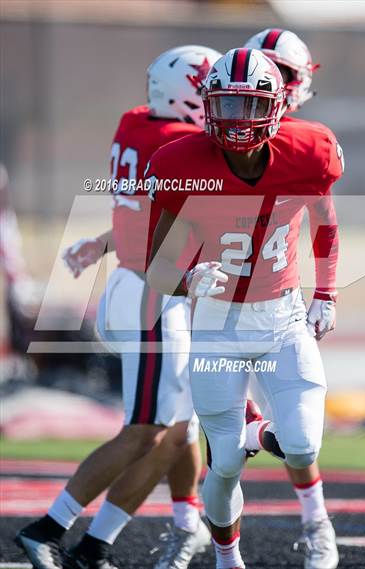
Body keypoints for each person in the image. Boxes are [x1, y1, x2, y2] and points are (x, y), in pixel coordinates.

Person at [15, 45, 222, 569]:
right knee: (145, 430)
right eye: (211, 91)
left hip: (143, 283)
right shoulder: (183, 144)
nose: (219, 104)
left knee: (179, 429)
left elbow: (140, 216)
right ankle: (51, 527)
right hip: (155, 292)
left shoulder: (136, 124)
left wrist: (100, 242)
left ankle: (162, 527)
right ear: (186, 96)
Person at [147, 47, 343, 569]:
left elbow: (326, 223)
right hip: (216, 324)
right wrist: (188, 278)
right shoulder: (179, 164)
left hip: (282, 319)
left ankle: (266, 442)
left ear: (277, 107)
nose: (239, 120)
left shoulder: (310, 152)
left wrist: (326, 291)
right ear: (208, 106)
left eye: (252, 105)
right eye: (228, 106)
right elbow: (156, 267)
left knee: (302, 447)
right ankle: (226, 558)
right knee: (226, 462)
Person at [242, 28, 340, 568]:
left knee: (296, 431)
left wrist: (325, 290)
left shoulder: (304, 143)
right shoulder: (207, 138)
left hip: (272, 305)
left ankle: (315, 522)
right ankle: (196, 534)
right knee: (181, 426)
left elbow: (325, 221)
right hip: (201, 298)